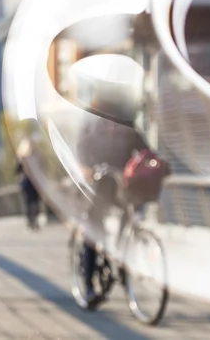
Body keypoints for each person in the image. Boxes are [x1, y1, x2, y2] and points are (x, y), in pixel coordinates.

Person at [76, 111, 147, 306]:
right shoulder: (93, 124)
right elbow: (81, 148)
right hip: (98, 186)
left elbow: (144, 150)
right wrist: (86, 167)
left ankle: (119, 257)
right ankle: (89, 286)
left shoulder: (128, 126)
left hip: (121, 187)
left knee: (129, 219)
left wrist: (152, 163)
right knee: (93, 232)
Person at [16, 164, 46, 231]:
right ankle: (31, 222)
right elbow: (17, 171)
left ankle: (35, 221)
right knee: (29, 205)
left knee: (35, 204)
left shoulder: (33, 159)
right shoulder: (21, 161)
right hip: (28, 185)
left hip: (35, 184)